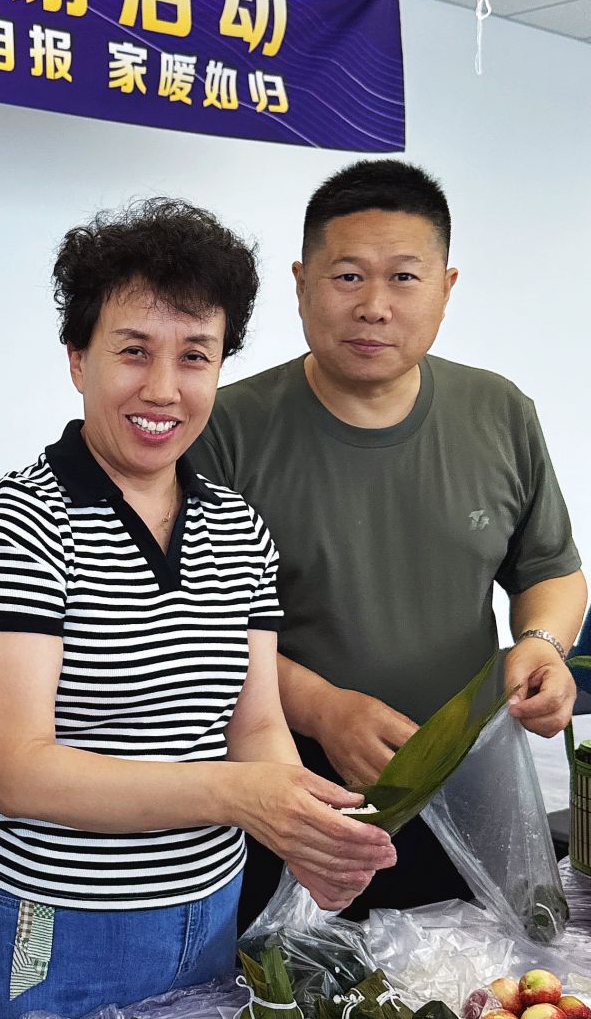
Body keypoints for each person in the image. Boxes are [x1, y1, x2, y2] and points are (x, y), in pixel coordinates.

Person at [0, 200, 395, 1019]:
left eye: (195, 356)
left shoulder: (238, 527)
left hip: (209, 911)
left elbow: (255, 723)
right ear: (77, 359)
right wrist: (238, 795)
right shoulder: (19, 524)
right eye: (133, 351)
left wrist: (306, 829)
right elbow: (19, 773)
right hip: (56, 925)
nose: (163, 388)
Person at [191, 159, 585, 924]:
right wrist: (323, 710)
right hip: (290, 790)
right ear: (302, 284)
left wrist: (542, 644)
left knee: (475, 981)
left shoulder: (499, 411)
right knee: (287, 990)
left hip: (468, 785)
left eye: (404, 277)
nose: (374, 306)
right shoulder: (225, 429)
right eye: (347, 277)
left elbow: (551, 569)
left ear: (446, 287)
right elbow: (197, 629)